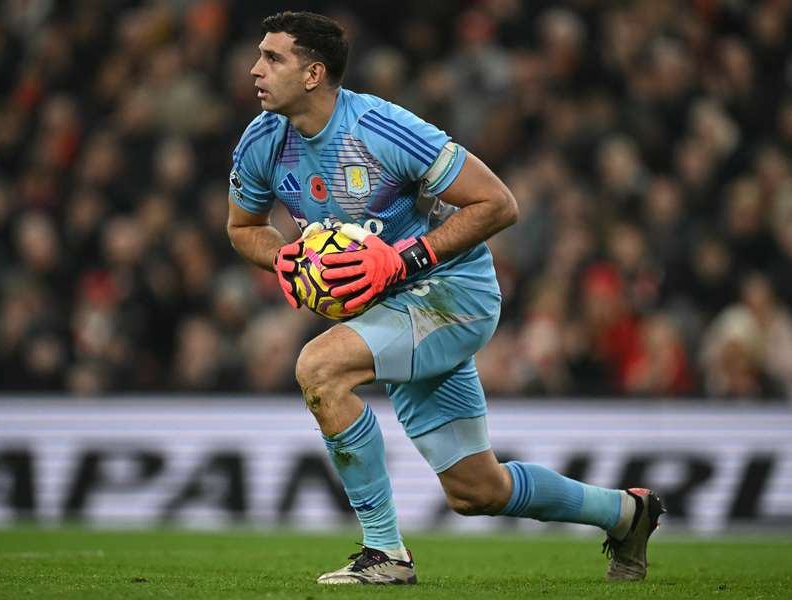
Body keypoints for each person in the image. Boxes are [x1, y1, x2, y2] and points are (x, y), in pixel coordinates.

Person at [226, 10, 664, 585]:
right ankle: (627, 513)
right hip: (389, 311)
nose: (255, 69)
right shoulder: (262, 141)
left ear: (313, 74)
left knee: (320, 367)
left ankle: (385, 553)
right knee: (476, 490)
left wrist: (401, 257)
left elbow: (499, 203)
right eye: (259, 55)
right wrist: (284, 256)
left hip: (451, 294)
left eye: (272, 57)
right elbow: (242, 227)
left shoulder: (381, 131)